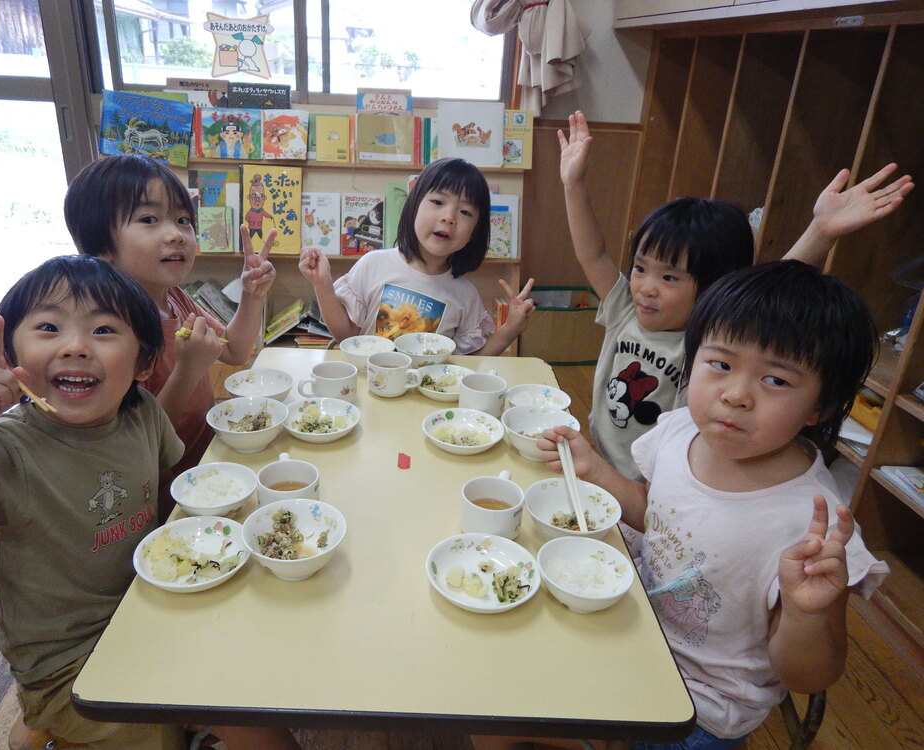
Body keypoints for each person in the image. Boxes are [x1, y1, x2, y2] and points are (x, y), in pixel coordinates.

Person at [474, 261, 889, 750]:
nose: (736, 395)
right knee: (490, 706)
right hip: (633, 628)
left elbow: (807, 674)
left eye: (776, 381)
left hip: (702, 704)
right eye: (721, 364)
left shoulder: (809, 523)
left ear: (821, 405)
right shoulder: (679, 432)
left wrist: (807, 614)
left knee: (506, 722)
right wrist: (594, 470)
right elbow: (651, 514)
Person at [0, 256, 298, 749]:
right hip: (70, 665)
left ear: (144, 363)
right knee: (235, 705)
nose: (75, 346)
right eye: (49, 327)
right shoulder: (4, 447)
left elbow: (153, 455)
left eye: (103, 330)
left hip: (148, 606)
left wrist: (188, 369)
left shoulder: (138, 410)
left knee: (260, 650)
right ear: (11, 351)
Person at [559, 109, 913, 552]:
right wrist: (573, 184)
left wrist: (820, 231)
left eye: (670, 278)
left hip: (659, 480)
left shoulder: (714, 342)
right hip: (604, 457)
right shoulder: (626, 310)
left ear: (713, 288)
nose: (647, 287)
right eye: (641, 269)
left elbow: (767, 293)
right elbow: (592, 252)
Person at [64, 154, 277, 518]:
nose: (177, 234)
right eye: (149, 219)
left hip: (206, 465)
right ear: (101, 248)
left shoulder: (175, 297)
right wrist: (189, 369)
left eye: (183, 220)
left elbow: (236, 350)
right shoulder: (108, 332)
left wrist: (252, 295)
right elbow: (142, 442)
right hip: (160, 495)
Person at [299, 157, 536, 355]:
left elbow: (470, 364)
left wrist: (510, 330)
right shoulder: (374, 264)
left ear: (475, 232)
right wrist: (322, 283)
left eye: (465, 211)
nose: (449, 216)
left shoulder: (466, 295)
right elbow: (346, 337)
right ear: (413, 206)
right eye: (437, 201)